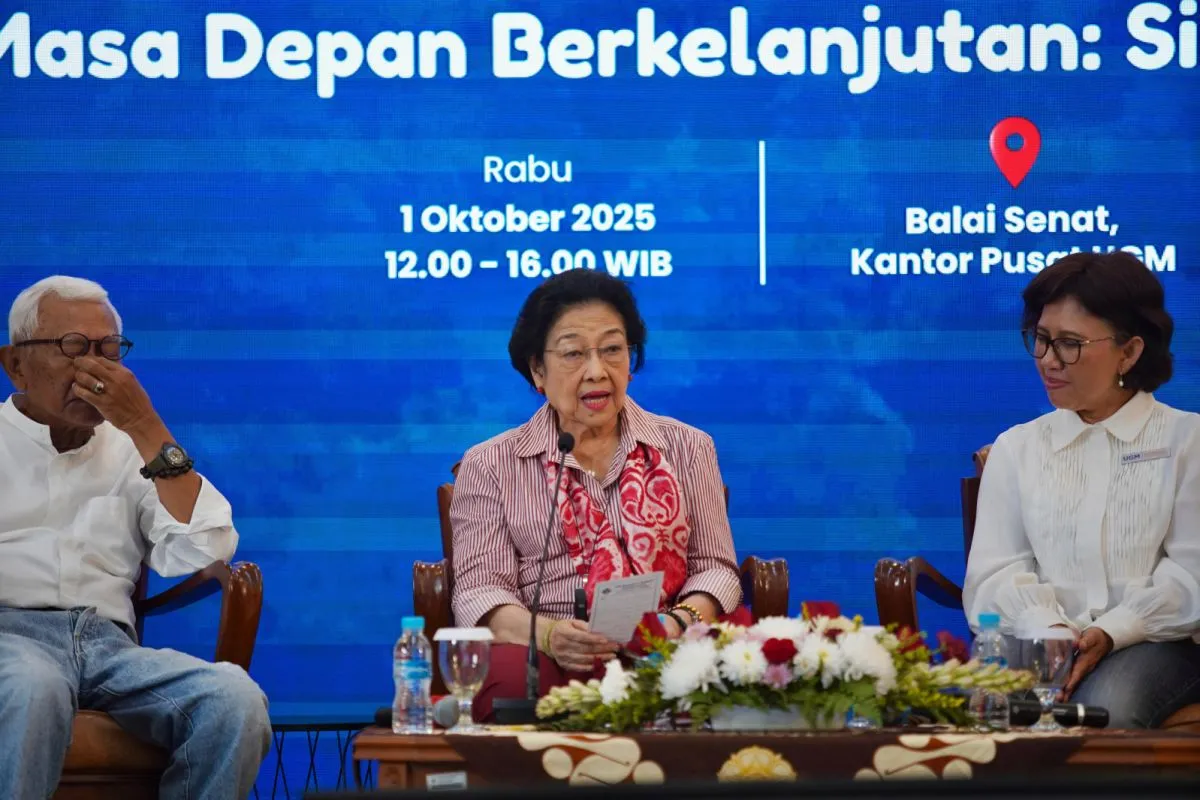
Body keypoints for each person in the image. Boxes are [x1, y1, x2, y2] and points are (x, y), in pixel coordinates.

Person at [0, 276, 271, 798]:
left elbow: (205, 548)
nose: (94, 369)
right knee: (34, 687)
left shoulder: (133, 447)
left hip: (108, 646)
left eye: (108, 350)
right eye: (73, 347)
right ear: (16, 365)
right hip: (10, 639)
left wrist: (145, 425)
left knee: (234, 700)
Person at [450, 270, 742, 720]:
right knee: (505, 677)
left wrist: (676, 623)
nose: (596, 371)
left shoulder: (688, 447)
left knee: (737, 666)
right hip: (547, 648)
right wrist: (550, 636)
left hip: (665, 643)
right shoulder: (490, 464)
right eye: (573, 353)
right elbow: (480, 591)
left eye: (612, 349)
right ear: (538, 370)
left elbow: (716, 569)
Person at [963, 252, 1200, 729]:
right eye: (1041, 339)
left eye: (1070, 344)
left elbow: (1191, 574)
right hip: (1035, 638)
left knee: (1103, 709)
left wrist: (1113, 631)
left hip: (1156, 641)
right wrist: (1048, 627)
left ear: (1129, 353)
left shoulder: (1187, 441)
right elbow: (993, 574)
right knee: (985, 708)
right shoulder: (1017, 447)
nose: (1048, 360)